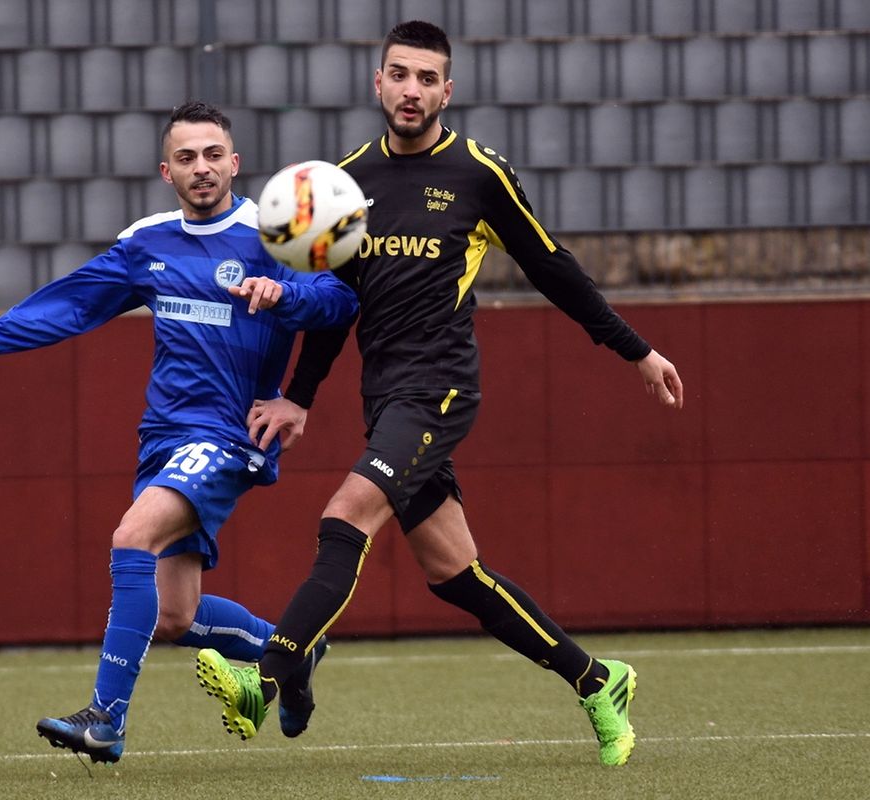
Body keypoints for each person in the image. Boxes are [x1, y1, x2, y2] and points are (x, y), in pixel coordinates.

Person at [193, 22, 684, 767]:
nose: (412, 89)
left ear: (446, 91)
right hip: (385, 399)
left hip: (441, 391)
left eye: (427, 78)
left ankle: (265, 676)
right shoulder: (347, 183)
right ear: (378, 83)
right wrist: (299, 396)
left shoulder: (479, 173)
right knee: (455, 574)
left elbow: (554, 267)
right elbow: (337, 304)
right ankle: (597, 679)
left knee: (343, 515)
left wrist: (634, 349)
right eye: (400, 74)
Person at [0, 101, 358, 764]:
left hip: (230, 436)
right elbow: (69, 305)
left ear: (234, 163)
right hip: (163, 439)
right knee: (174, 617)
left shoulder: (272, 236)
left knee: (130, 537)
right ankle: (291, 649)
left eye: (213, 154)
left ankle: (106, 719)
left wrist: (284, 296)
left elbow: (339, 300)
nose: (201, 168)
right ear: (165, 171)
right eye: (186, 158)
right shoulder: (147, 241)